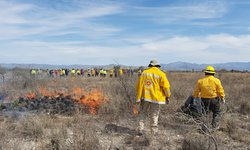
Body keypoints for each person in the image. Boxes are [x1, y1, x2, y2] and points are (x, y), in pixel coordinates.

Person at [136, 60, 171, 135]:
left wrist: (139, 96)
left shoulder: (144, 73)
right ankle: (154, 132)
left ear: (150, 65)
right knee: (154, 114)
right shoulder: (161, 74)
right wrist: (167, 96)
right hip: (156, 98)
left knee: (142, 112)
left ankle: (140, 129)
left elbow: (139, 85)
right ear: (158, 66)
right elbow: (166, 87)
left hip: (145, 97)